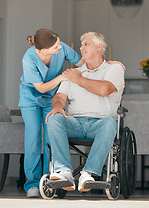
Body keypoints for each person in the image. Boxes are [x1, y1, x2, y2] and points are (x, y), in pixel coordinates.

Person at [45, 31, 125, 192]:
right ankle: (64, 172)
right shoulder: (73, 72)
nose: (81, 48)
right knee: (54, 117)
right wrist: (58, 106)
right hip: (75, 123)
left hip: (101, 124)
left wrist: (78, 79)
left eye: (85, 44)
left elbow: (104, 89)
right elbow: (60, 96)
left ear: (99, 47)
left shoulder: (114, 68)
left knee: (110, 123)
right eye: (81, 45)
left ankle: (88, 174)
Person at [19, 28, 83, 198]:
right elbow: (40, 87)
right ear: (42, 50)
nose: (59, 48)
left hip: (51, 100)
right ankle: (32, 184)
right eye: (55, 47)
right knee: (33, 139)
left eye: (59, 43)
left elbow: (82, 62)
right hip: (30, 100)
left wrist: (108, 64)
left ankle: (51, 180)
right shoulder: (29, 58)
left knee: (51, 138)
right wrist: (61, 77)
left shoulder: (60, 47)